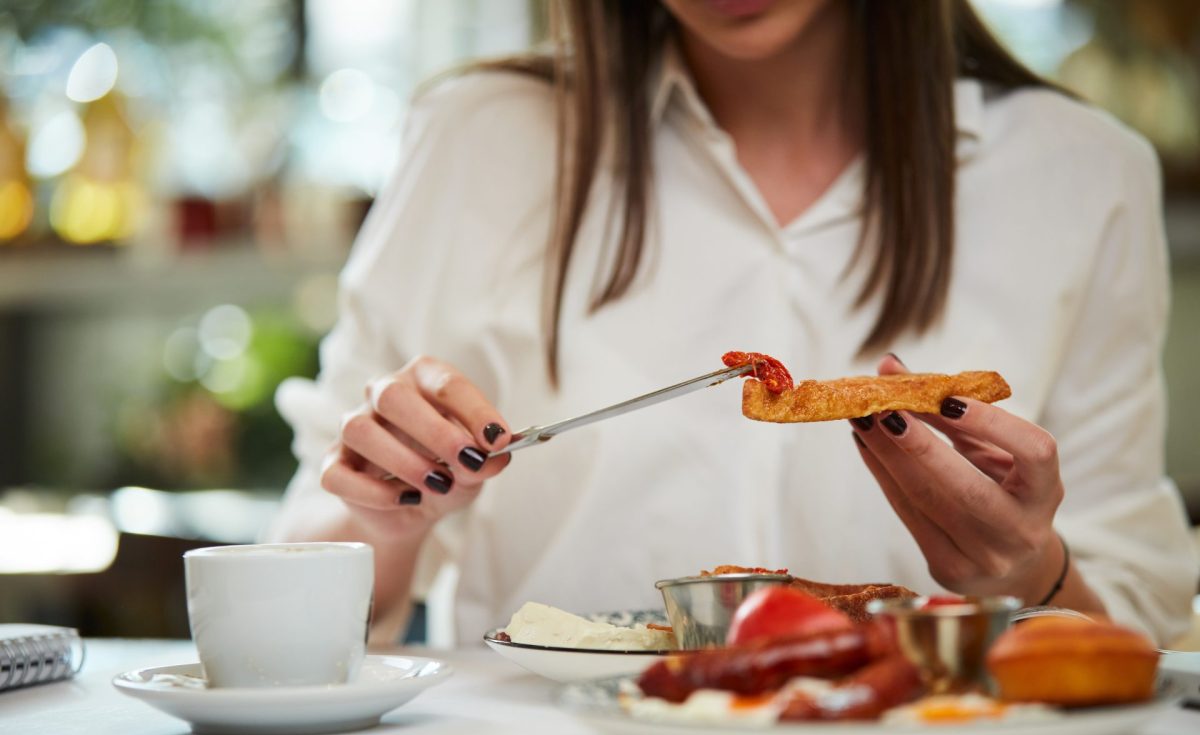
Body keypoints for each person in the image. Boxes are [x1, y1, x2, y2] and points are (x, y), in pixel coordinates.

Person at [267, 0, 1198, 646]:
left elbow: (1139, 648)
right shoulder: (479, 138)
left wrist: (1024, 574)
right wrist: (385, 519)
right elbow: (295, 599)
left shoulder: (1082, 174)